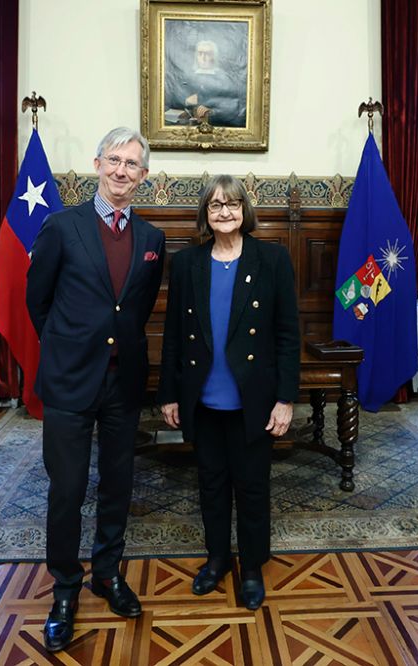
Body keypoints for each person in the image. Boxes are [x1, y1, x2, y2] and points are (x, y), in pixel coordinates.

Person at [26, 127, 166, 652]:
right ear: (97, 164)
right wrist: (67, 346)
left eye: (133, 164)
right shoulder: (62, 226)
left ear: (143, 176)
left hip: (123, 380)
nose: (122, 170)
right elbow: (36, 302)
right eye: (114, 160)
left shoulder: (152, 240)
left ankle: (107, 574)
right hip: (68, 380)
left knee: (117, 484)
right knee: (66, 490)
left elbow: (139, 306)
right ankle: (65, 588)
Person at [157, 174, 300, 610]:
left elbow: (287, 334)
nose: (224, 212)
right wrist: (169, 394)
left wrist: (285, 398)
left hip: (252, 400)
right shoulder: (186, 264)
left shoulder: (272, 259)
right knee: (211, 485)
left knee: (252, 486)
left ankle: (252, 567)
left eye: (233, 204)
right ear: (205, 213)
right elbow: (174, 337)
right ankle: (217, 559)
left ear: (245, 211)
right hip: (203, 398)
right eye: (216, 205)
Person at [164, 39, 246, 128]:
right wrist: (185, 101)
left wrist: (209, 110)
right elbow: (173, 100)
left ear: (214, 56)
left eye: (207, 54)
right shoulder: (185, 76)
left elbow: (232, 107)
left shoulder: (225, 79)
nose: (203, 57)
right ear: (196, 56)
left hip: (216, 124)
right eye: (200, 53)